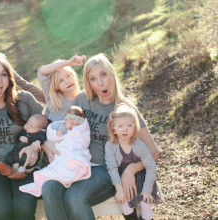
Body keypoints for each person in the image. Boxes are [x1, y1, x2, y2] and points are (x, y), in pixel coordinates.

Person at [41, 53, 159, 220]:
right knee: (49, 188)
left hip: (106, 168)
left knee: (74, 198)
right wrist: (46, 142)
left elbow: (153, 150)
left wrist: (131, 170)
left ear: (111, 73)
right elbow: (65, 127)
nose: (100, 82)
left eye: (103, 74)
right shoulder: (82, 100)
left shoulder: (124, 108)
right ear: (88, 82)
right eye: (93, 78)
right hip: (77, 163)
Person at [0, 56, 43, 220]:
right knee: (1, 211)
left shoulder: (24, 100)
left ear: (10, 78)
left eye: (3, 74)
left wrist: (35, 146)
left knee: (24, 208)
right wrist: (3, 168)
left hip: (23, 165)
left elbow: (46, 124)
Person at [19, 106, 91, 197]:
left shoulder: (80, 130)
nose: (73, 126)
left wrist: (66, 136)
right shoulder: (59, 127)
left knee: (72, 165)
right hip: (60, 153)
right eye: (71, 123)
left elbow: (83, 140)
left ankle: (70, 169)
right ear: (65, 119)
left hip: (75, 153)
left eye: (77, 124)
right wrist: (58, 135)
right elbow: (51, 136)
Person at [105, 103, 161, 220]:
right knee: (123, 201)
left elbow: (150, 166)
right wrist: (119, 190)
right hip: (123, 180)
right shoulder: (110, 145)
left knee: (145, 203)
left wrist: (146, 190)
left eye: (129, 125)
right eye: (120, 126)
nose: (125, 129)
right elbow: (112, 168)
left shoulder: (139, 145)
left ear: (134, 127)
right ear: (113, 129)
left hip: (142, 179)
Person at [37, 55, 85, 122]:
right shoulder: (53, 100)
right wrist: (68, 62)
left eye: (68, 76)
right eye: (61, 80)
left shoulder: (83, 100)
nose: (67, 81)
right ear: (56, 87)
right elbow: (41, 71)